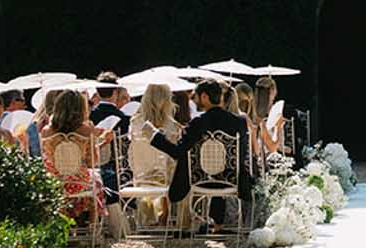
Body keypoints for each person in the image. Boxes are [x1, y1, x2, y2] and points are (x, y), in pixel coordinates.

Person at [147, 80, 254, 232]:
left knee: (197, 168)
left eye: (195, 96)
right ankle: (218, 225)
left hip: (200, 180)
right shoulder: (239, 122)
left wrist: (155, 137)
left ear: (204, 96)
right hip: (232, 179)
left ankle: (198, 223)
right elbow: (242, 154)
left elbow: (178, 152)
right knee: (219, 168)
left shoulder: (198, 123)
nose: (194, 100)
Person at [41, 87, 124, 238]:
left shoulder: (46, 131)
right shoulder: (86, 130)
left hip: (55, 183)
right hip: (80, 183)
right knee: (96, 180)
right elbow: (92, 162)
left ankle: (63, 228)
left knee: (90, 180)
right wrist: (102, 143)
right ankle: (91, 228)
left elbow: (47, 159)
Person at [128, 81, 178, 225]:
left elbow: (132, 150)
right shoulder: (171, 125)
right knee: (174, 167)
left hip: (141, 173)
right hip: (165, 176)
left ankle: (147, 218)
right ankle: (168, 215)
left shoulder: (135, 122)